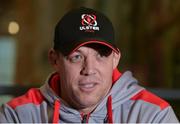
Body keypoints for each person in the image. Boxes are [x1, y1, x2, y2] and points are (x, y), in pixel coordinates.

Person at [0, 7, 179, 123]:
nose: (89, 69)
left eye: (100, 55)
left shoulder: (153, 116)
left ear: (115, 59)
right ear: (55, 60)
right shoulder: (17, 116)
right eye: (77, 57)